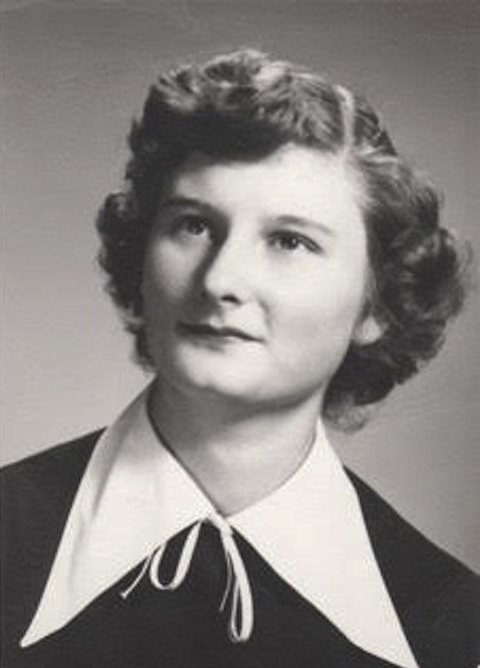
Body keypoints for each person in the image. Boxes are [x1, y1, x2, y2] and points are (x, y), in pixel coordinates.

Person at [1, 49, 478, 668]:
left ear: (377, 305)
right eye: (194, 225)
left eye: (290, 241)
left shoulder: (451, 627)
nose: (221, 279)